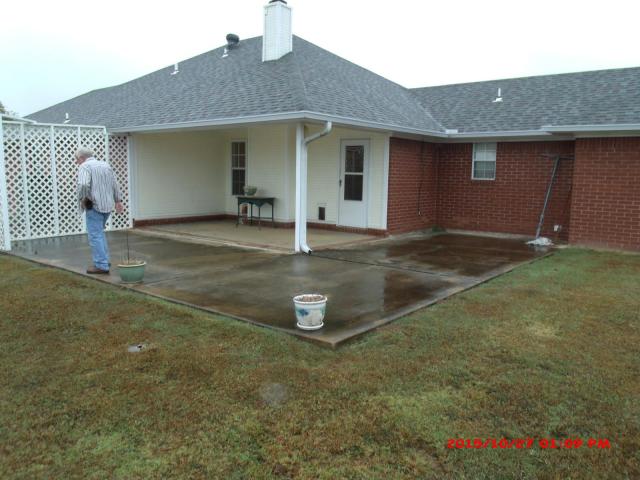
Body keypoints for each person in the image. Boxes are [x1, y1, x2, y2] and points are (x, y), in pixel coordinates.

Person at [76, 147, 124, 274]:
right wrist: (118, 201)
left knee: (95, 235)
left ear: (82, 158)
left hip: (94, 205)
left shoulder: (85, 166)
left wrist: (84, 198)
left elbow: (83, 184)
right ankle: (104, 260)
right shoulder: (105, 165)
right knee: (99, 234)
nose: (77, 162)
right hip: (108, 205)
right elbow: (115, 184)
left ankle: (101, 265)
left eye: (77, 159)